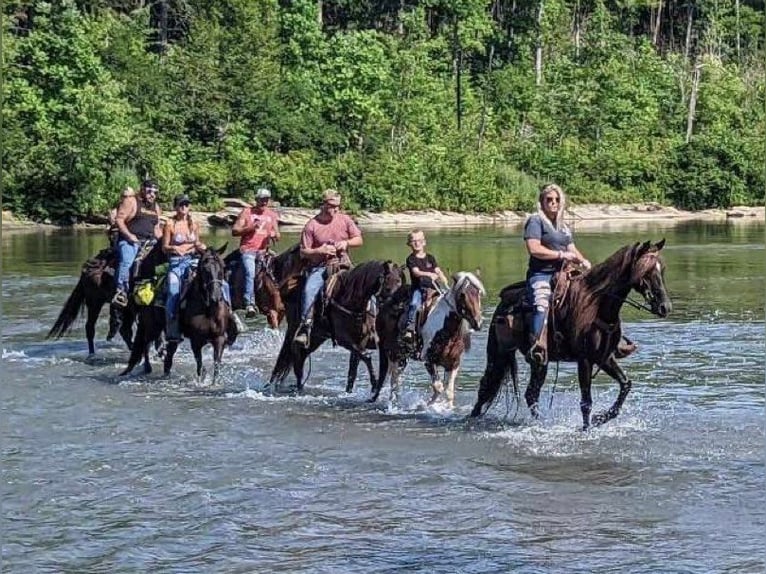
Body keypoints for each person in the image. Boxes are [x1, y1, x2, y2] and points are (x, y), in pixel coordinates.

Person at [293, 189, 363, 347]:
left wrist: (346, 243)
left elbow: (359, 239)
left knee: (365, 284)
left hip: (344, 263)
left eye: (338, 206)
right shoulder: (312, 225)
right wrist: (319, 251)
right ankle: (306, 326)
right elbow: (303, 252)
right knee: (309, 289)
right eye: (332, 206)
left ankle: (371, 320)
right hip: (320, 266)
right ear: (323, 205)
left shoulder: (345, 220)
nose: (336, 209)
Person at [162, 194, 207, 342]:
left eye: (186, 205)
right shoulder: (170, 224)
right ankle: (172, 326)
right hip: (176, 262)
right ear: (175, 207)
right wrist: (174, 249)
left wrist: (201, 247)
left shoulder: (194, 223)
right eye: (181, 205)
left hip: (192, 260)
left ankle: (228, 316)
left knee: (214, 281)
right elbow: (164, 247)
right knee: (173, 289)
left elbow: (197, 242)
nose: (184, 207)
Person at [112, 179, 162, 307]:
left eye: (155, 192)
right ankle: (121, 291)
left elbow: (156, 228)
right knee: (127, 260)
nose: (152, 195)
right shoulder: (132, 201)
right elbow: (119, 219)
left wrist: (163, 240)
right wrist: (129, 236)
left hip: (150, 242)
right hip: (130, 240)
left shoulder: (156, 207)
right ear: (143, 189)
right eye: (150, 191)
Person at [231, 188, 281, 318]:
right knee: (250, 272)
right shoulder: (247, 212)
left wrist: (274, 235)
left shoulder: (272, 215)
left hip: (264, 251)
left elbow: (277, 233)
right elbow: (235, 230)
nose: (264, 202)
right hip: (248, 250)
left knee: (280, 270)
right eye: (262, 199)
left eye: (266, 199)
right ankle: (249, 303)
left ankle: (278, 303)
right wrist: (250, 228)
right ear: (256, 199)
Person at [403, 230, 449, 342]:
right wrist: (429, 274)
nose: (417, 243)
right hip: (419, 288)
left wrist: (443, 278)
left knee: (448, 303)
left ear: (424, 242)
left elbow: (437, 270)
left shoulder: (430, 258)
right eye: (413, 241)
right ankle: (410, 328)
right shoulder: (411, 259)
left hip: (434, 288)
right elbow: (416, 272)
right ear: (409, 244)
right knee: (414, 304)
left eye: (419, 240)